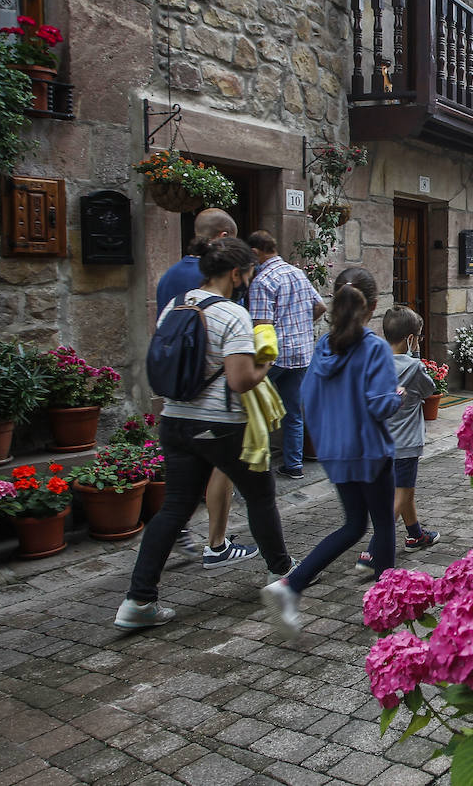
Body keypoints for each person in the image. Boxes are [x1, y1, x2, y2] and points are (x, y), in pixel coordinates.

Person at [116, 238, 294, 629]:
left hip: (175, 419)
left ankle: (138, 600)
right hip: (220, 424)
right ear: (235, 273)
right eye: (248, 273)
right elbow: (241, 380)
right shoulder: (232, 314)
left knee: (175, 507)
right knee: (260, 496)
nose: (249, 279)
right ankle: (283, 574)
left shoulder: (174, 307)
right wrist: (266, 361)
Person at [262, 267, 401, 636]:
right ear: (371, 307)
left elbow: (307, 399)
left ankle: (290, 585)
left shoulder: (322, 348)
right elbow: (378, 404)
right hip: (371, 452)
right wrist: (395, 398)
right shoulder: (374, 349)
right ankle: (386, 606)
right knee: (383, 524)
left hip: (336, 455)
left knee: (355, 525)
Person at [154, 208, 255, 568]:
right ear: (224, 237)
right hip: (213, 401)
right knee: (232, 475)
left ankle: (142, 589)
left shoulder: (169, 277)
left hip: (175, 394)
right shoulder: (214, 283)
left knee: (179, 494)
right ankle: (219, 541)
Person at [355, 306, 439, 573]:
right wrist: (415, 357)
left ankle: (415, 534)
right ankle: (372, 550)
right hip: (406, 444)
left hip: (380, 442)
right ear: (411, 339)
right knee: (400, 495)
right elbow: (430, 389)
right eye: (419, 338)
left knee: (406, 491)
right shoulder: (413, 367)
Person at [246, 229, 327, 481]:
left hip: (274, 355)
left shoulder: (262, 281)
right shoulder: (298, 273)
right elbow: (321, 306)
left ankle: (255, 467)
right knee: (293, 411)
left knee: (254, 409)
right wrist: (300, 328)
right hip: (301, 352)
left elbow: (261, 324)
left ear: (255, 252)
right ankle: (294, 465)